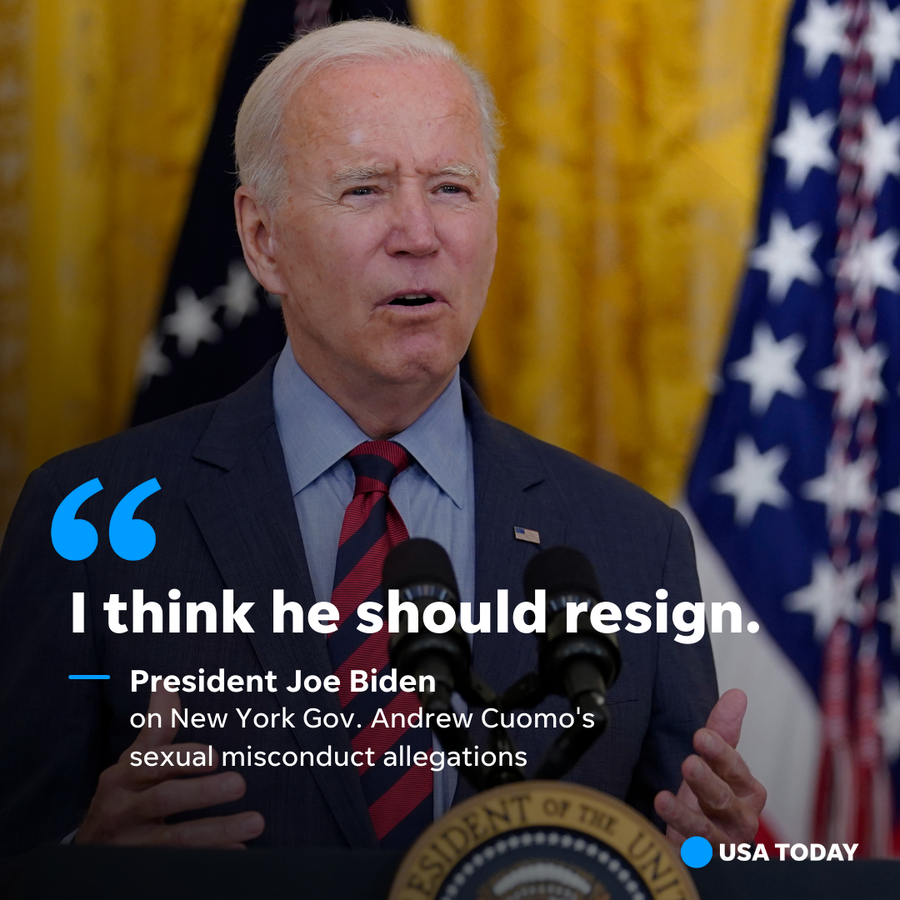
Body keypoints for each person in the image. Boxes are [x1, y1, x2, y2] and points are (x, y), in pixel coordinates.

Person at [0, 20, 765, 854]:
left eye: (452, 188)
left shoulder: (633, 544)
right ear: (262, 239)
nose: (419, 234)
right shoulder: (90, 518)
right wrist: (82, 863)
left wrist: (712, 857)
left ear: (495, 225)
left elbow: (665, 859)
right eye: (364, 189)